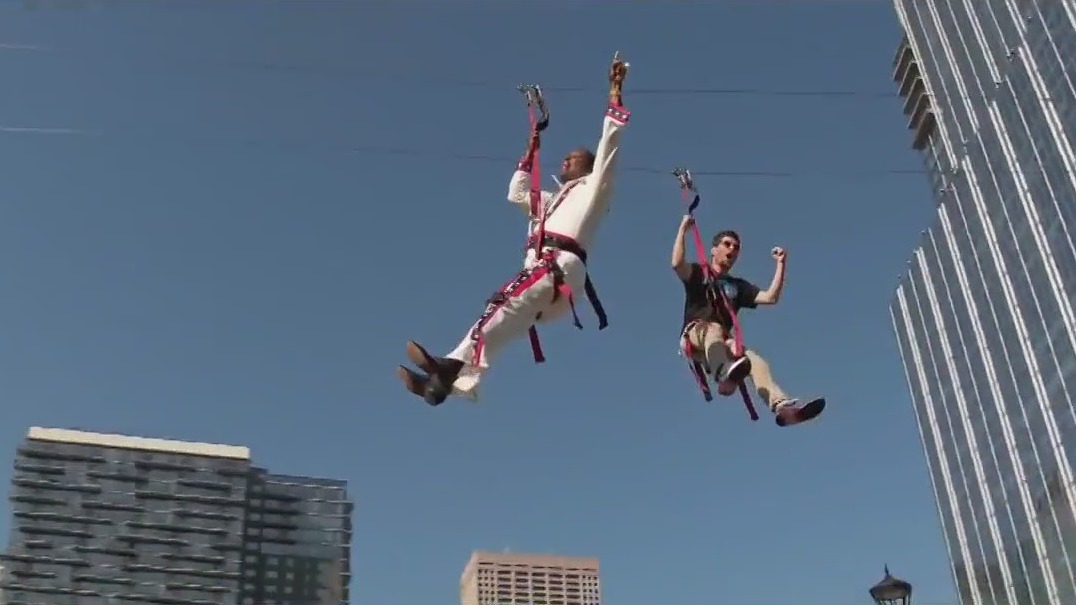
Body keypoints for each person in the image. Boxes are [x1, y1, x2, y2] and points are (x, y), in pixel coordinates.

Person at [396, 55, 631, 406]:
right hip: (543, 278)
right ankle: (450, 382)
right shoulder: (550, 202)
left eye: (574, 158)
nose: (565, 160)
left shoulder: (594, 189)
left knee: (505, 303)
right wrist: (531, 146)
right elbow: (516, 193)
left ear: (588, 166)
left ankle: (449, 366)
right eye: (564, 157)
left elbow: (610, 147)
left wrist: (615, 97)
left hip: (560, 268)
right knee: (501, 316)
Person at [671, 216, 825, 426]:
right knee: (714, 329)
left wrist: (781, 264)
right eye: (727, 244)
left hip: (720, 345)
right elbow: (677, 263)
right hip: (694, 336)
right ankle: (724, 374)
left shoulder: (738, 286)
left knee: (753, 359)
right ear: (713, 250)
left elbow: (770, 298)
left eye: (736, 247)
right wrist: (683, 228)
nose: (732, 250)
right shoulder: (699, 273)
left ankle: (782, 407)